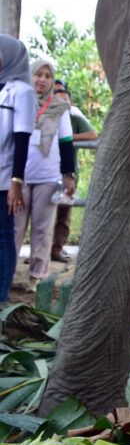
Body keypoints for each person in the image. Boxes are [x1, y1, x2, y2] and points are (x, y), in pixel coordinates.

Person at [14, 60, 75, 287]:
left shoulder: (60, 108)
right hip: (18, 178)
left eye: (47, 76)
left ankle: (36, 278)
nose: (42, 80)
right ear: (29, 76)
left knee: (42, 229)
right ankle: (7, 274)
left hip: (48, 177)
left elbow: (66, 142)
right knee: (14, 229)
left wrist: (68, 175)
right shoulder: (19, 102)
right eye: (38, 74)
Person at [0, 37, 37, 304]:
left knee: (4, 236)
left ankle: (1, 297)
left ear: (10, 56)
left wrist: (16, 182)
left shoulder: (21, 92)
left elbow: (22, 139)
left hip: (4, 179)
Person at [50, 80, 96, 263]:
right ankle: (40, 252)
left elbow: (92, 135)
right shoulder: (42, 113)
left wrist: (66, 136)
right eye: (55, 91)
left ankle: (56, 249)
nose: (59, 94)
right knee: (44, 214)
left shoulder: (73, 117)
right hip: (44, 173)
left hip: (68, 173)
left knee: (63, 213)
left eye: (62, 91)